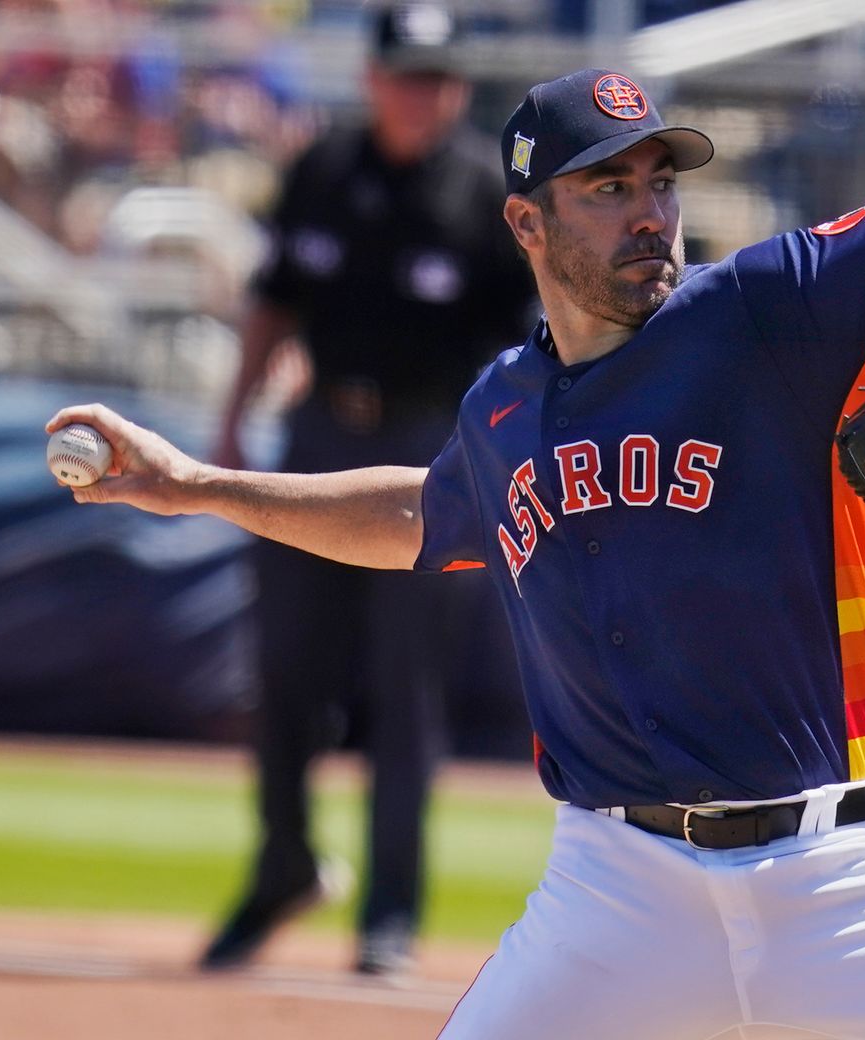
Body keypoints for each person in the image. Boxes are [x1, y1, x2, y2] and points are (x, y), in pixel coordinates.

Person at [49, 68, 865, 1038]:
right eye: (606, 187)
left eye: (660, 180)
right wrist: (194, 485)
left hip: (845, 875)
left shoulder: (768, 308)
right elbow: (421, 514)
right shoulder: (503, 404)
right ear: (528, 220)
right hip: (618, 887)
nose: (649, 210)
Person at [200, 3, 532, 975]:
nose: (420, 93)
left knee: (406, 690)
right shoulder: (324, 169)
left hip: (432, 450)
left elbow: (520, 347)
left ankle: (389, 910)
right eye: (405, 74)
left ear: (457, 88)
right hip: (313, 436)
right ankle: (282, 866)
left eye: (437, 77)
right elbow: (275, 295)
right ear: (373, 79)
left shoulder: (482, 194)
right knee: (286, 676)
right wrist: (234, 414)